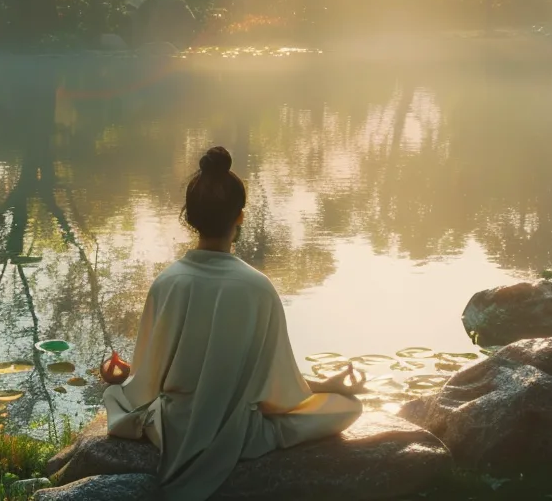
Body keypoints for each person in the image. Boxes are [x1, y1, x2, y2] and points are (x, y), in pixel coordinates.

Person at [103, 146, 365, 501]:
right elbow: (278, 392)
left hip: (173, 429)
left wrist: (122, 379)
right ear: (239, 217)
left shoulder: (168, 282)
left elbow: (146, 386)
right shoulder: (258, 288)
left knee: (117, 398)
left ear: (189, 216)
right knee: (348, 407)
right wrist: (327, 386)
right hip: (240, 433)